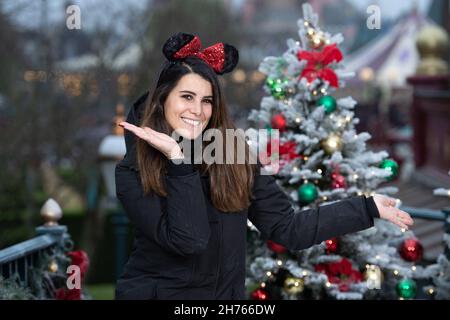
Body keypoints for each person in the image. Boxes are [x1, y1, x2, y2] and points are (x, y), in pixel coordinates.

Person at [114, 32, 413, 300]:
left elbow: (288, 228)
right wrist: (178, 161)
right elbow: (189, 240)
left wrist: (366, 207)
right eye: (187, 97)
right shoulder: (134, 169)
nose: (197, 110)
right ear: (162, 100)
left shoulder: (232, 156)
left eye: (207, 100)